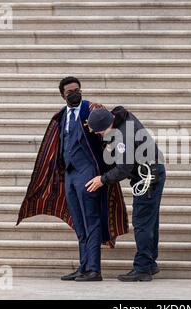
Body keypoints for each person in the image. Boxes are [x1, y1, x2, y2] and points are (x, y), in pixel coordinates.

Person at [17, 76, 128, 282]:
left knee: (91, 220)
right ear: (62, 95)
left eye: (77, 89)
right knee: (78, 222)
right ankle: (84, 266)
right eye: (70, 91)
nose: (75, 93)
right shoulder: (61, 116)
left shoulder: (92, 110)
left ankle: (94, 269)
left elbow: (112, 128)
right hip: (69, 175)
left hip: (88, 174)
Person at [86, 106, 166, 282]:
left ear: (106, 125)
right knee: (150, 221)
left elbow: (123, 168)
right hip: (153, 170)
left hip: (148, 176)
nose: (99, 135)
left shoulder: (123, 136)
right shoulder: (122, 118)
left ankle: (143, 268)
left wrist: (103, 179)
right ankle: (150, 263)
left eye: (99, 132)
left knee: (142, 222)